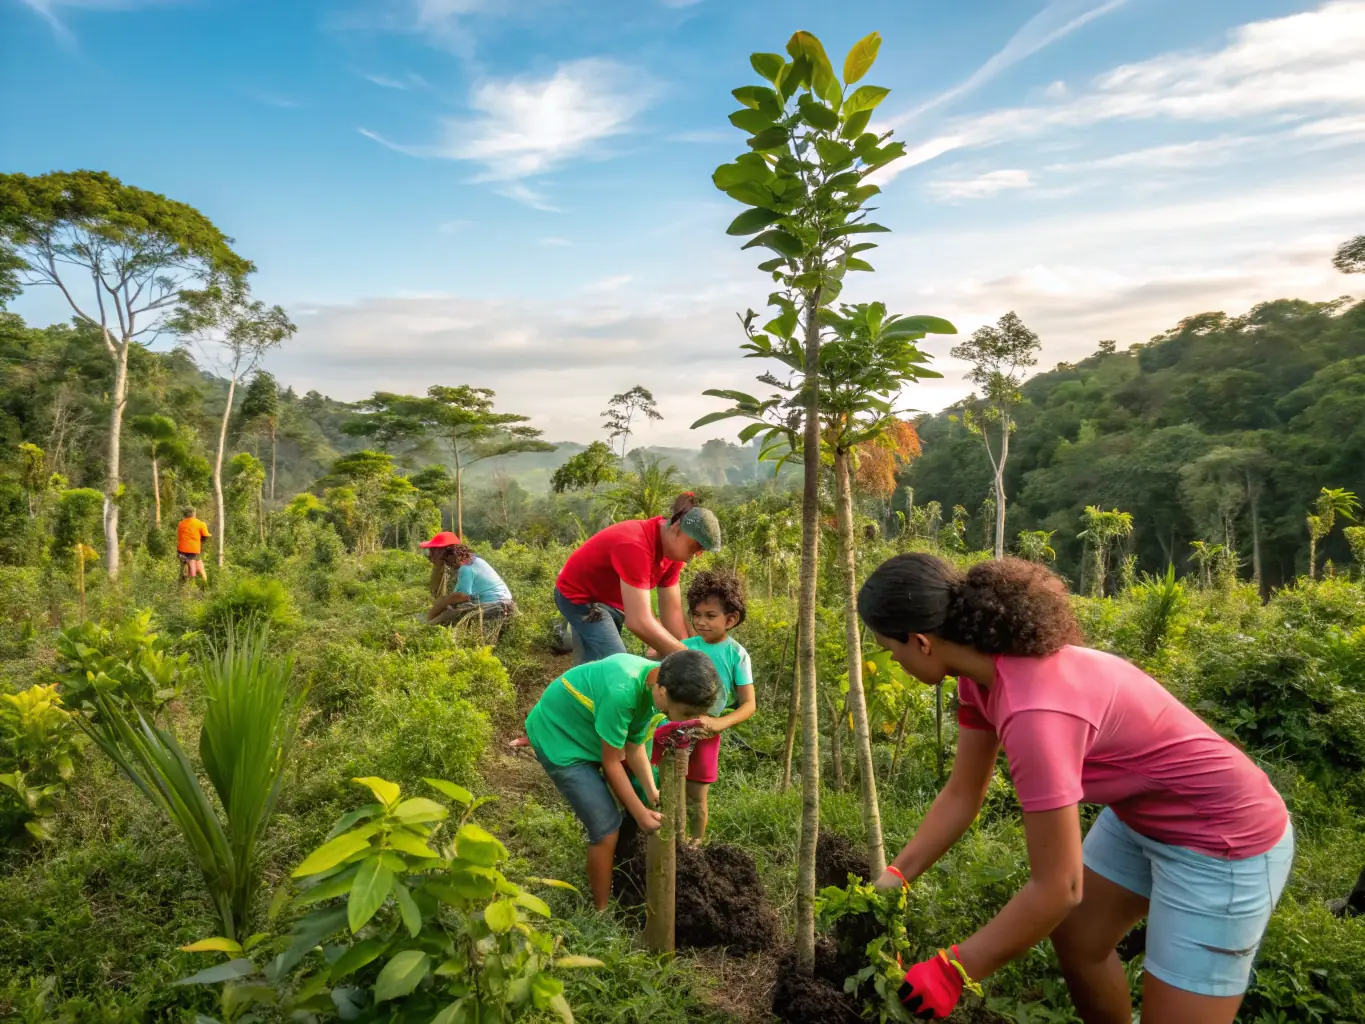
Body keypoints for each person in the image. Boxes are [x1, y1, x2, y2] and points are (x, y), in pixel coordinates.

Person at [857, 553, 1292, 1024]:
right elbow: (963, 795)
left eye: (888, 648)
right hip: (1141, 817)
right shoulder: (979, 678)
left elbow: (1059, 887)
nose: (891, 661)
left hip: (1225, 841)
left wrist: (953, 971)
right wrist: (895, 878)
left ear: (920, 642)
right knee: (1079, 939)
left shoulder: (1034, 714)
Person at [523, 649, 719, 910]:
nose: (687, 721)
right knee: (606, 827)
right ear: (662, 691)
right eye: (684, 713)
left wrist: (651, 792)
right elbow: (612, 762)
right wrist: (640, 813)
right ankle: (601, 911)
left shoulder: (656, 683)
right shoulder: (623, 691)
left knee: (630, 803)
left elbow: (635, 744)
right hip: (559, 738)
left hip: (589, 732)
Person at [554, 492, 721, 665]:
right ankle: (576, 685)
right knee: (615, 664)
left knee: (600, 657)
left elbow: (673, 613)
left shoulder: (672, 553)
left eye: (702, 550)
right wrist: (689, 658)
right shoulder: (635, 546)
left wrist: (688, 650)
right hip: (579, 597)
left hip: (611, 597)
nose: (697, 555)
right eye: (696, 546)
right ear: (677, 527)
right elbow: (638, 621)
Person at [677, 569, 755, 843]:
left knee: (696, 797)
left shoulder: (737, 655)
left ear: (730, 619)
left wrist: (718, 724)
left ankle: (695, 845)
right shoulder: (683, 647)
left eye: (710, 616)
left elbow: (748, 705)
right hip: (673, 727)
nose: (701, 622)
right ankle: (673, 840)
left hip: (707, 731)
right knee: (669, 789)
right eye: (696, 615)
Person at [419, 534, 515, 632]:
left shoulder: (466, 568)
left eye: (431, 552)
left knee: (447, 610)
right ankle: (428, 625)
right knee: (446, 605)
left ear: (442, 552)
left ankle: (427, 628)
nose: (429, 557)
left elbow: (462, 596)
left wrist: (443, 601)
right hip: (500, 600)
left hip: (493, 604)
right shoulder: (473, 560)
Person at [175, 506, 211, 586]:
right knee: (201, 569)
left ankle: (181, 586)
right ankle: (204, 586)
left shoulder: (180, 524)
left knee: (184, 568)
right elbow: (206, 536)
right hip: (193, 551)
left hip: (181, 551)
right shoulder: (200, 524)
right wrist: (201, 541)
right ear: (194, 513)